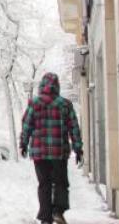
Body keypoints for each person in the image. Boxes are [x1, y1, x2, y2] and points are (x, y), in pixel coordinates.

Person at [20, 72, 83, 224]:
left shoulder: (34, 103)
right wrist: (78, 148)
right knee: (60, 182)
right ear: (57, 86)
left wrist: (23, 143)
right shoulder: (65, 104)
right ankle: (58, 212)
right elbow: (74, 127)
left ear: (42, 85)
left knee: (44, 184)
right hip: (59, 153)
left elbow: (26, 125)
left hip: (39, 154)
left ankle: (45, 217)